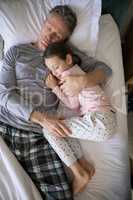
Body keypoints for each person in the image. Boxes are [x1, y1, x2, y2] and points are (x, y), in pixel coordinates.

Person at [0, 5, 113, 200]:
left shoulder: (65, 55)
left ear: (65, 40)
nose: (50, 36)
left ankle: (79, 172)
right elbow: (3, 93)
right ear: (43, 22)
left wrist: (84, 80)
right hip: (6, 125)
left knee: (60, 195)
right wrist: (42, 119)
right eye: (49, 27)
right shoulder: (17, 52)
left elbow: (104, 70)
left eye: (58, 34)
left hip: (40, 136)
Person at [42, 41, 116, 194]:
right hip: (103, 119)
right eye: (51, 70)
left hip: (99, 121)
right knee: (61, 126)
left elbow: (72, 105)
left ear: (68, 60)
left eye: (56, 67)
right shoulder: (77, 71)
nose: (55, 73)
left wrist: (54, 87)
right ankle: (84, 166)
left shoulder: (69, 77)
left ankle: (80, 173)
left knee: (49, 130)